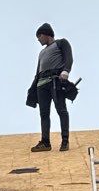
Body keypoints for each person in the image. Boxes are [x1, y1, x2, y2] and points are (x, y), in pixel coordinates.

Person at [31, 23, 74, 152]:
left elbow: (69, 58)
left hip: (55, 81)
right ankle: (45, 142)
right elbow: (38, 71)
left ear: (46, 34)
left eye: (39, 36)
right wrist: (33, 88)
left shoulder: (61, 43)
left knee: (61, 110)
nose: (38, 39)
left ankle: (65, 141)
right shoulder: (41, 53)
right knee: (44, 113)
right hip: (41, 84)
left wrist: (66, 70)